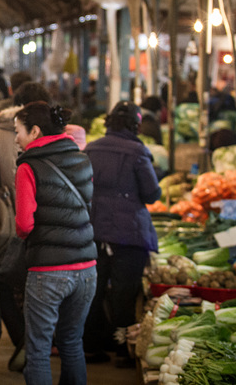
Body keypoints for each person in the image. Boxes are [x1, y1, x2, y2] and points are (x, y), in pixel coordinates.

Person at [14, 101, 96, 385]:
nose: (16, 138)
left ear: (35, 131)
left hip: (48, 271)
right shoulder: (82, 158)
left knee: (38, 349)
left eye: (19, 131)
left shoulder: (28, 166)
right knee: (72, 342)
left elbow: (24, 224)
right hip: (87, 268)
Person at [0, 81, 52, 373]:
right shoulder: (60, 137)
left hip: (10, 225)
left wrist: (3, 195)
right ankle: (38, 344)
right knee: (40, 290)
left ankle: (24, 340)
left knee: (3, 283)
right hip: (48, 227)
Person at [83, 101, 161, 368]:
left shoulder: (90, 148)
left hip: (94, 230)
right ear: (135, 125)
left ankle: (92, 347)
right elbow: (152, 194)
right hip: (129, 234)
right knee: (124, 293)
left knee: (93, 290)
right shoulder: (138, 151)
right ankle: (122, 350)